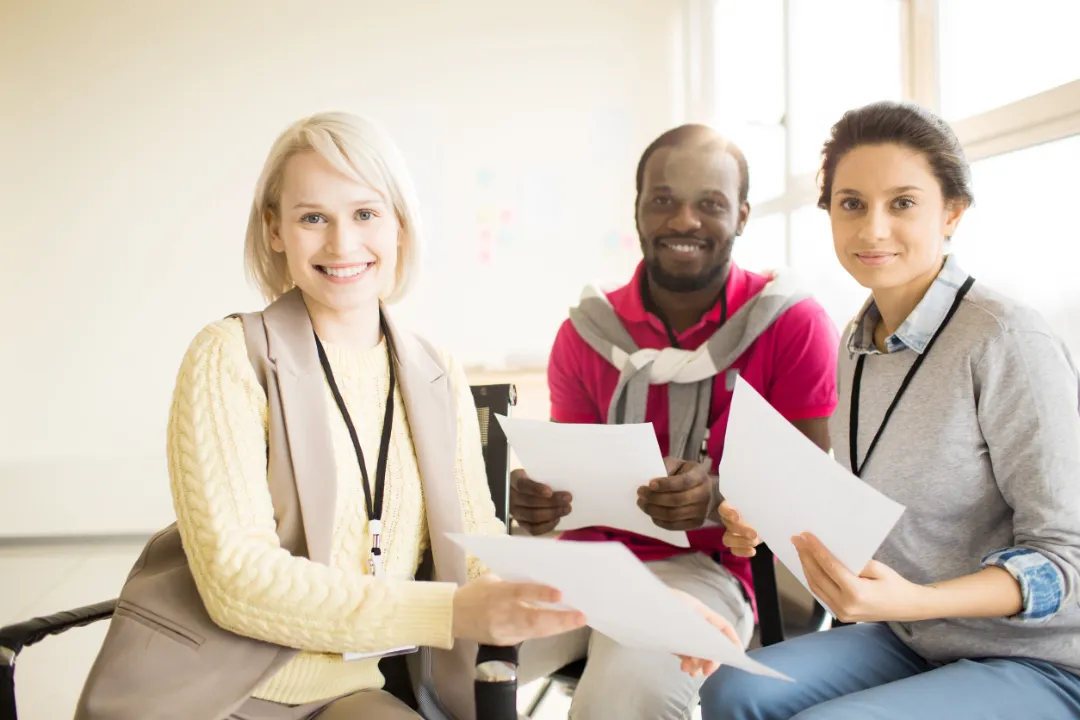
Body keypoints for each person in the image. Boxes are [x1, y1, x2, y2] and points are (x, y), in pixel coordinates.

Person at [699, 101, 1080, 720]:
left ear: (952, 213)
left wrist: (913, 601)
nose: (873, 229)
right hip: (912, 637)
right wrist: (771, 522)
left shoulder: (1006, 339)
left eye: (902, 203)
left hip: (1038, 658)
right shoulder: (858, 342)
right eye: (851, 204)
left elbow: (1068, 559)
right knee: (731, 690)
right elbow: (871, 510)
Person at [513, 124, 840, 719]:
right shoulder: (587, 331)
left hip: (712, 568)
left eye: (709, 204)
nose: (684, 220)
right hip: (587, 559)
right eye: (663, 200)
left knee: (627, 691)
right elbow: (575, 481)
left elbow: (808, 497)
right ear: (638, 211)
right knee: (448, 657)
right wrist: (541, 500)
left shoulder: (791, 324)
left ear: (741, 216)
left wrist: (715, 500)